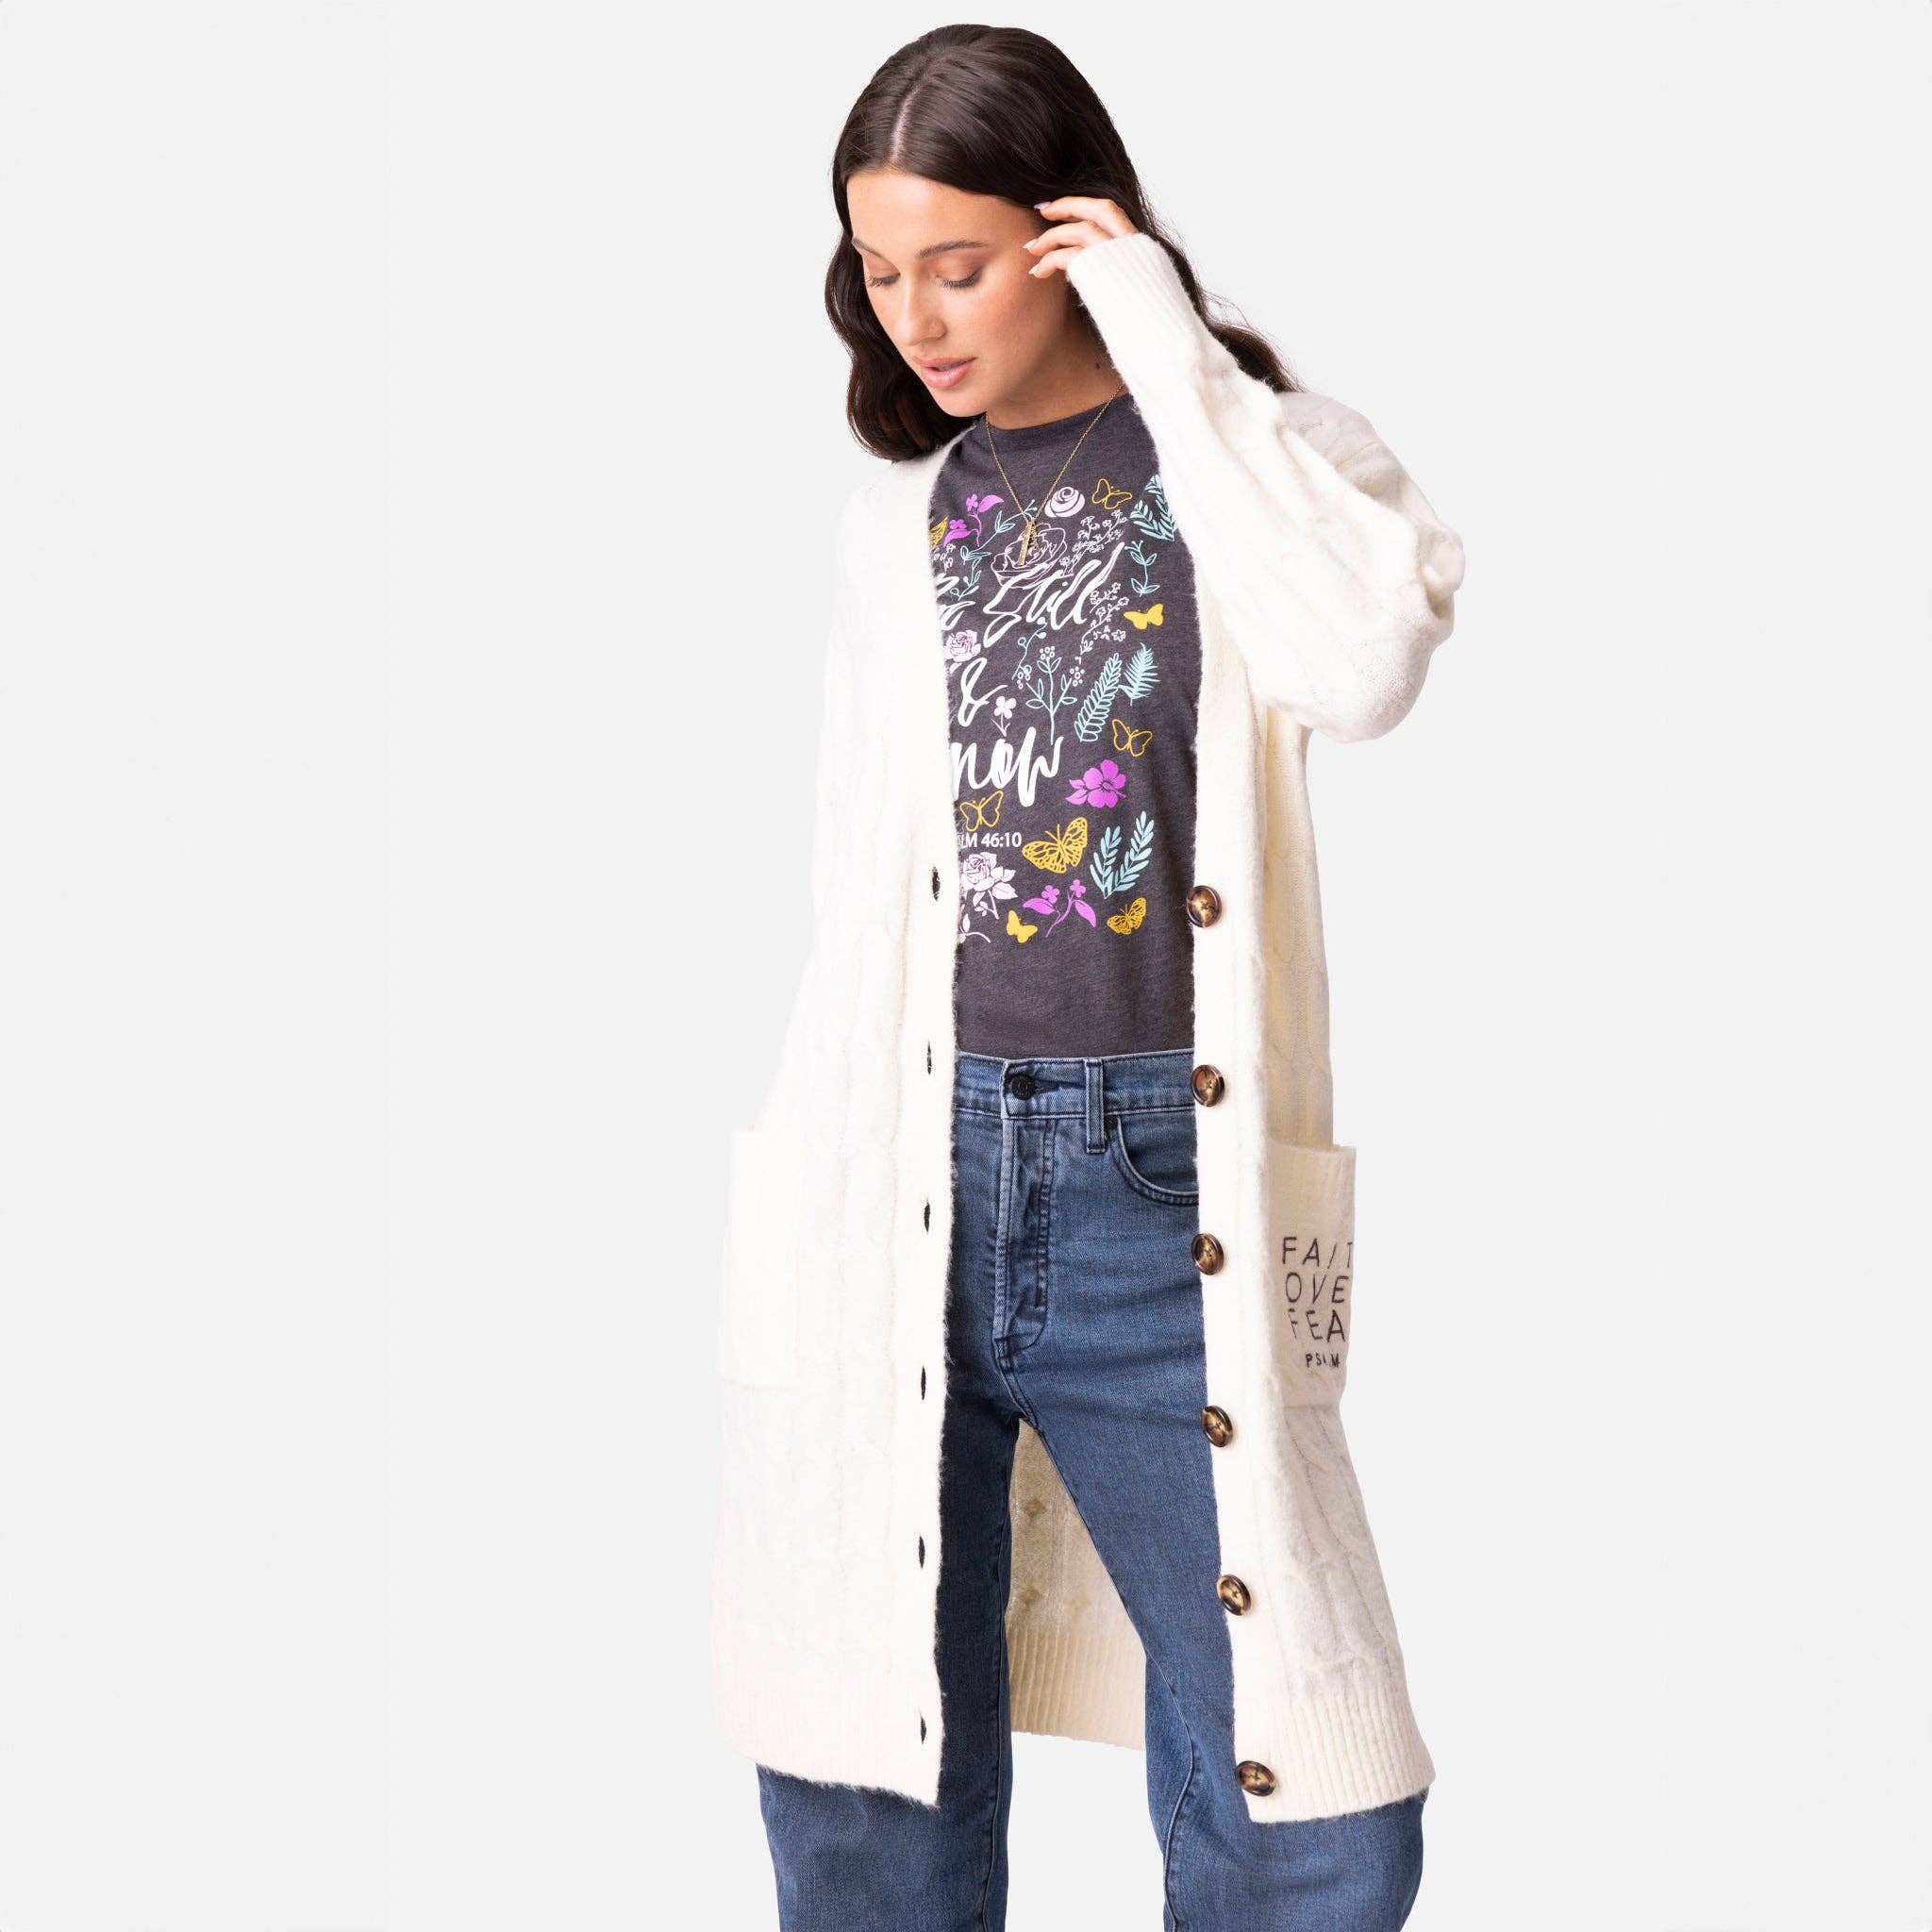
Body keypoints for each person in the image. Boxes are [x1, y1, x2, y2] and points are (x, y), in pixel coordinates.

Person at [709, 25, 1466, 1929]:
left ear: (1070, 232)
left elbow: (1364, 660)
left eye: (958, 266)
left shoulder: (1271, 462)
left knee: (1313, 1812)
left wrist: (1162, 338)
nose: (914, 320)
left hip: (1159, 1185)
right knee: (868, 1785)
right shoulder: (897, 520)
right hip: (900, 1169)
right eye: (881, 274)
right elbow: (853, 906)